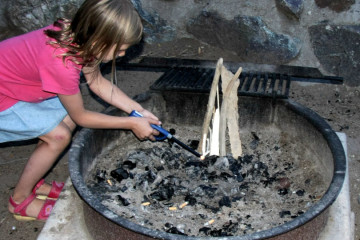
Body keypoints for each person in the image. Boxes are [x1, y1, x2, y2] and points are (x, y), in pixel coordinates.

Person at [0, 0, 160, 221]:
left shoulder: (82, 39)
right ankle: (19, 202)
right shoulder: (61, 63)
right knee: (58, 136)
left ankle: (34, 180)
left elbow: (97, 83)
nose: (122, 54)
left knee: (65, 120)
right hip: (3, 98)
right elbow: (82, 116)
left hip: (16, 87)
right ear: (99, 39)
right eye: (121, 48)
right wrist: (131, 123)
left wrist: (138, 112)